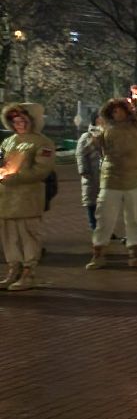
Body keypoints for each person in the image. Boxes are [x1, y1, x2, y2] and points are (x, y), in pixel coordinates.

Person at [87, 85, 137, 270]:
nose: (118, 114)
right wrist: (94, 139)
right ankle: (98, 252)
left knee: (134, 218)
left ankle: (135, 252)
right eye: (114, 111)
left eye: (120, 110)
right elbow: (98, 148)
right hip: (111, 179)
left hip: (135, 179)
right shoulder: (106, 129)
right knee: (104, 217)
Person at [0, 102, 57, 291]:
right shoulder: (8, 142)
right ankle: (13, 269)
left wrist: (14, 176)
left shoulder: (42, 143)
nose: (19, 125)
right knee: (9, 237)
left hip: (28, 198)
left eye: (23, 121)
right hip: (6, 199)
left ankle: (28, 271)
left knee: (29, 235)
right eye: (15, 121)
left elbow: (42, 170)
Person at [76, 114, 103, 231]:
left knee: (104, 202)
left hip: (105, 174)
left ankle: (103, 227)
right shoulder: (87, 136)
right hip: (91, 174)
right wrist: (83, 170)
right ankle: (94, 226)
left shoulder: (108, 134)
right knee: (92, 201)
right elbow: (80, 154)